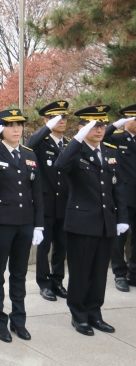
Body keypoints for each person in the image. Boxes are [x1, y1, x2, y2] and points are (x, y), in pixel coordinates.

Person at [55, 105, 128, 336]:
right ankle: (79, 315)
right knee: (81, 271)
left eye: (102, 124)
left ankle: (94, 312)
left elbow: (118, 187)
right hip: (82, 223)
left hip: (106, 222)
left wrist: (122, 218)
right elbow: (60, 165)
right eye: (94, 124)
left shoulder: (109, 150)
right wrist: (76, 138)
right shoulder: (74, 151)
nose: (99, 129)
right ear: (82, 127)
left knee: (99, 272)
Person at [0, 108, 44, 343]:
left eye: (19, 125)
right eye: (10, 125)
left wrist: (39, 225)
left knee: (19, 274)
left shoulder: (28, 154)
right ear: (0, 128)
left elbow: (37, 193)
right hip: (0, 223)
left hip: (25, 223)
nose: (16, 129)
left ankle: (19, 320)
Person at [26, 101, 71, 301]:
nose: (62, 121)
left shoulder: (69, 144)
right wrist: (47, 128)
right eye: (56, 118)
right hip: (45, 204)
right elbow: (29, 145)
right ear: (46, 121)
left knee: (61, 246)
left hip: (65, 204)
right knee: (44, 248)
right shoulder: (40, 143)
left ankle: (57, 281)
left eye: (64, 118)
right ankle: (44, 284)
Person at [103, 104, 136, 292]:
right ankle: (120, 274)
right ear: (125, 121)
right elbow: (99, 138)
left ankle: (134, 273)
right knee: (119, 238)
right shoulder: (116, 139)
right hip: (123, 198)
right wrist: (115, 125)